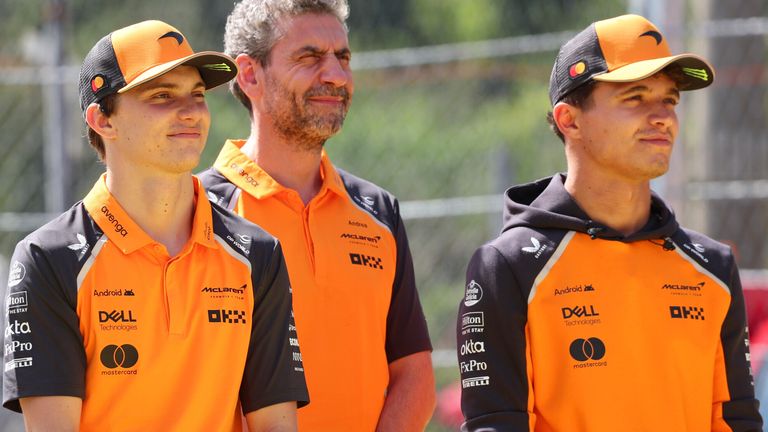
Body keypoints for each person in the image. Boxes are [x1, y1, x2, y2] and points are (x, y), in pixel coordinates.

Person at [457, 14, 762, 431]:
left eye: (670, 100)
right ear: (569, 120)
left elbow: (737, 421)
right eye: (635, 97)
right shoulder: (508, 267)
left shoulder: (713, 267)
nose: (663, 117)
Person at [2, 20, 308, 431]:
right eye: (162, 95)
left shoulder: (257, 253)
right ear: (102, 120)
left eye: (197, 95)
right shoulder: (48, 258)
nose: (191, 112)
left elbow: (275, 425)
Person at [199, 0, 435, 430]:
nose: (336, 75)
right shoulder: (194, 212)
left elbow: (414, 374)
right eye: (309, 58)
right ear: (250, 74)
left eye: (342, 57)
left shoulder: (378, 212)